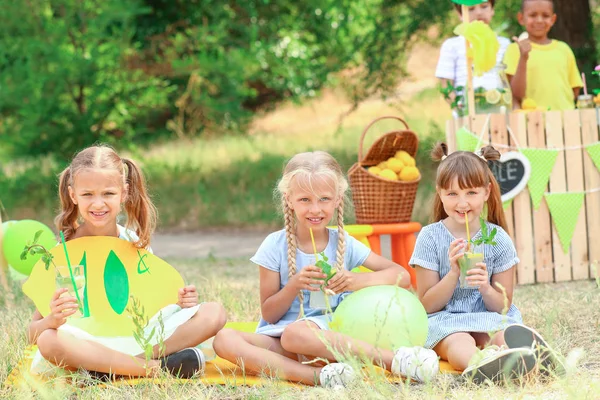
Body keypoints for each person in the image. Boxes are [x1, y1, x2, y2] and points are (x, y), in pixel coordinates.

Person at [213, 151, 432, 387]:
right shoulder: (273, 246)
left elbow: (400, 275)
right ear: (289, 199)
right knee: (224, 339)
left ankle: (395, 361)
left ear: (338, 199)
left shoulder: (343, 242)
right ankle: (321, 377)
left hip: (333, 336)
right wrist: (294, 285)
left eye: (324, 199)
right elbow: (269, 314)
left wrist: (354, 281)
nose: (315, 209)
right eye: (305, 200)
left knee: (296, 334)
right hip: (283, 339)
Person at [27, 144, 227, 379]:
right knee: (48, 341)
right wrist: (52, 319)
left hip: (139, 338)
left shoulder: (134, 243)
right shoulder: (62, 252)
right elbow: (32, 333)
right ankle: (156, 368)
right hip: (88, 341)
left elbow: (155, 304)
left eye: (108, 194)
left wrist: (183, 302)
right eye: (87, 194)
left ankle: (108, 368)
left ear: (124, 193)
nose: (98, 204)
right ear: (73, 195)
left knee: (214, 313)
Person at [409, 143, 537, 383]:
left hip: (487, 315)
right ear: (439, 192)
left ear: (486, 192)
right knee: (459, 343)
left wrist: (485, 287)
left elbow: (502, 305)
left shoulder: (497, 239)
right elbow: (426, 305)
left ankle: (523, 354)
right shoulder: (429, 237)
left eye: (471, 193)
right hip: (445, 321)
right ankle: (482, 365)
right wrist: (453, 274)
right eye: (452, 194)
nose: (462, 203)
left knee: (500, 335)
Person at [504, 0, 582, 110]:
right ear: (521, 18)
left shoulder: (564, 49)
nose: (539, 20)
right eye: (532, 15)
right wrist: (523, 57)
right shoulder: (515, 50)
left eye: (545, 16)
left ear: (553, 19)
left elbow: (575, 90)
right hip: (531, 121)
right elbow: (516, 94)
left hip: (565, 119)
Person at [436, 1, 510, 116]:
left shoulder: (504, 44)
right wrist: (460, 109)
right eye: (471, 9)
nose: (479, 12)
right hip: (466, 115)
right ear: (460, 14)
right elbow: (446, 85)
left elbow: (508, 80)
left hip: (498, 112)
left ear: (492, 9)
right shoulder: (452, 46)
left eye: (484, 6)